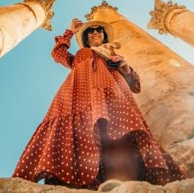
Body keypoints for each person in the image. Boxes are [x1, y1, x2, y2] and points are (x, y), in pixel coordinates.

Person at [13, 18, 184, 189]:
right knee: (82, 134)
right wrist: (70, 32)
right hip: (78, 94)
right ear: (86, 38)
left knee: (119, 130)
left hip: (111, 91)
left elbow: (135, 85)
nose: (95, 32)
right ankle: (81, 183)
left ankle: (123, 182)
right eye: (91, 31)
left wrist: (125, 68)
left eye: (99, 30)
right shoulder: (80, 54)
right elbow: (58, 54)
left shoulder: (113, 55)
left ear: (104, 35)